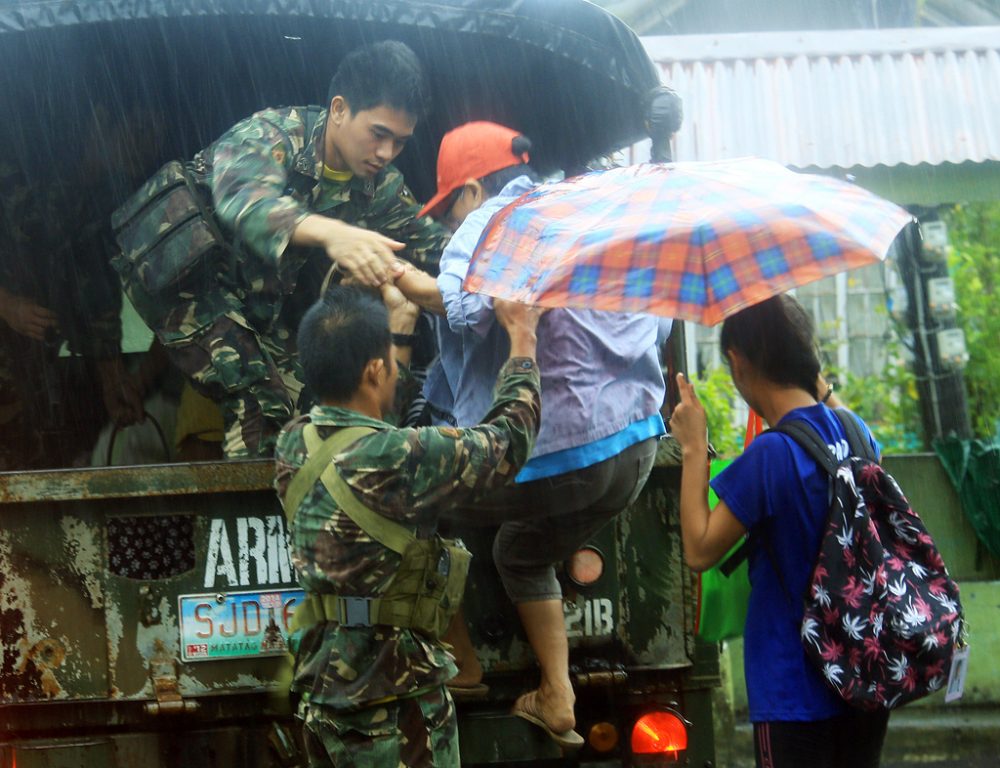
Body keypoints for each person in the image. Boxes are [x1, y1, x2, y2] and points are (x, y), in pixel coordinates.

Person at [396, 121, 669, 748]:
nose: (446, 226)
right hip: (637, 447)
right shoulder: (593, 212)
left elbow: (465, 306)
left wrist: (407, 283)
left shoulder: (493, 219)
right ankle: (557, 693)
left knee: (412, 499)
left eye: (447, 210)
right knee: (519, 552)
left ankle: (461, 665)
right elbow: (654, 329)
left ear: (469, 187)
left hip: (561, 452)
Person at [115, 40, 450, 458]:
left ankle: (309, 510)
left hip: (259, 306)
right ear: (340, 109)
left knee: (315, 406)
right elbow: (243, 200)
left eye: (399, 142)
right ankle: (256, 517)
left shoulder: (381, 187)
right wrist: (333, 234)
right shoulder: (274, 134)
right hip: (188, 282)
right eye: (379, 134)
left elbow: (439, 246)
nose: (386, 153)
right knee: (260, 401)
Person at [274, 283, 543, 768]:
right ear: (374, 371)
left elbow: (369, 431)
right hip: (392, 699)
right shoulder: (400, 458)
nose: (398, 373)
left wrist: (397, 325)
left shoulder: (293, 445)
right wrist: (522, 339)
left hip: (323, 687)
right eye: (391, 366)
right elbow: (508, 442)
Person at [669, 294, 889, 768]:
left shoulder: (771, 455)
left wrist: (693, 448)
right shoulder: (858, 433)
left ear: (737, 361)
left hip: (793, 688)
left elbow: (700, 550)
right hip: (863, 675)